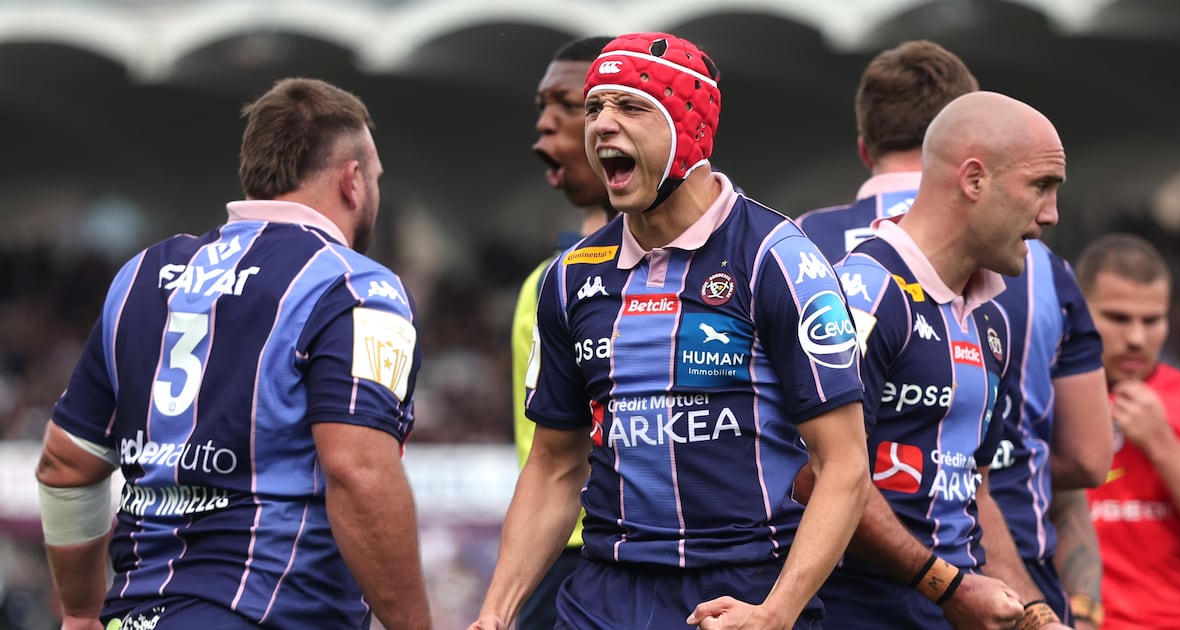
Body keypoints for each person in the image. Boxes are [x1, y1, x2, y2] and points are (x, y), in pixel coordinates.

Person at [473, 32, 870, 630]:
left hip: (740, 591)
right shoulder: (571, 276)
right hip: (603, 593)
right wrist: (495, 614)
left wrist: (776, 612)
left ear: (691, 129)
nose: (602, 124)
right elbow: (556, 464)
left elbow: (844, 466)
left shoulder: (779, 259)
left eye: (631, 106)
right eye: (594, 108)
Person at [34, 77, 431, 630]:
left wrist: (79, 612)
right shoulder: (358, 288)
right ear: (353, 180)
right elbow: (359, 473)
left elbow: (64, 465)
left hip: (135, 615)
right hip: (270, 614)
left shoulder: (142, 276)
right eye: (377, 177)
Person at [796, 41, 1110, 628]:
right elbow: (817, 476)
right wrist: (948, 587)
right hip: (864, 613)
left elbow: (974, 488)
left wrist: (1038, 613)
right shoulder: (864, 292)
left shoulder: (986, 310)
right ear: (973, 180)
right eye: (1041, 186)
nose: (1052, 215)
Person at [512, 34, 615, 630]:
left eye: (565, 105)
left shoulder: (735, 268)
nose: (543, 129)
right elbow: (547, 457)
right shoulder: (549, 283)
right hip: (567, 552)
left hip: (670, 556)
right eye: (540, 108)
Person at [1075, 233, 1180, 630]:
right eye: (1117, 318)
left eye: (1152, 320)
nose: (1136, 339)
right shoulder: (1044, 398)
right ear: (1077, 310)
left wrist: (1162, 442)